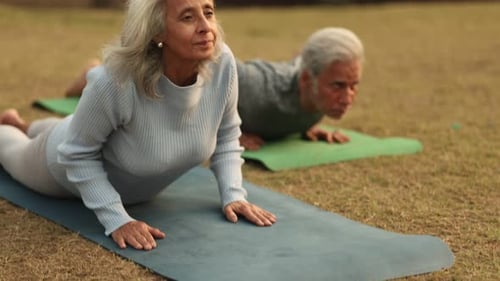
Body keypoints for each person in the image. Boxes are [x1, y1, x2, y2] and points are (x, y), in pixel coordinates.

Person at [0, 0, 276, 251]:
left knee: (74, 126)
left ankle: (22, 123)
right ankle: (11, 128)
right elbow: (76, 153)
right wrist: (117, 219)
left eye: (209, 12)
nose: (206, 28)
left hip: (94, 136)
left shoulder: (222, 63)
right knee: (10, 147)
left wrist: (233, 195)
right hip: (59, 168)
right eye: (188, 18)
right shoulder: (116, 81)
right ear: (157, 33)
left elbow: (227, 134)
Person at [64, 27, 364, 150]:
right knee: (145, 86)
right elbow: (208, 78)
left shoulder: (316, 99)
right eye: (338, 87)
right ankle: (94, 71)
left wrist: (304, 123)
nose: (347, 98)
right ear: (306, 82)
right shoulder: (258, 91)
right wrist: (226, 129)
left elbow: (301, 60)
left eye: (353, 86)